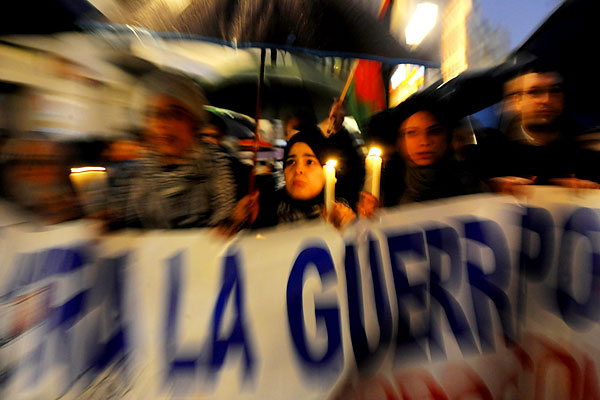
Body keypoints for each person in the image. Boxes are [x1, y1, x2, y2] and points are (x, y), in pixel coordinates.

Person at [115, 70, 237, 229]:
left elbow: (225, 227)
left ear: (194, 122)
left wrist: (233, 222)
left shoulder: (222, 170)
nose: (161, 124)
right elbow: (127, 228)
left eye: (174, 114)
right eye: (153, 114)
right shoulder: (133, 177)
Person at [486, 66, 599, 193]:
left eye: (555, 91)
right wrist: (489, 187)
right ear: (518, 101)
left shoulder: (586, 147)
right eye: (534, 92)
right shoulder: (492, 149)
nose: (546, 100)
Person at [358, 104, 484, 217]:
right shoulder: (384, 188)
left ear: (447, 137)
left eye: (434, 132)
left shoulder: (471, 185)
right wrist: (374, 217)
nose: (424, 142)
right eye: (412, 133)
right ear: (399, 141)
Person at [224, 127, 356, 233]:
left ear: (326, 172)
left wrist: (351, 227)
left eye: (309, 162)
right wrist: (235, 223)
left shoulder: (339, 212)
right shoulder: (265, 208)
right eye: (291, 161)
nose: (298, 169)